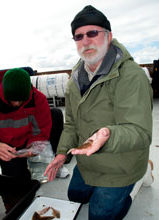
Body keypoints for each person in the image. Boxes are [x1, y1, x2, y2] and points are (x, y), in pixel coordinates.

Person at [44, 5, 154, 220]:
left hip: (120, 164)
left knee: (99, 216)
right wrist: (61, 153)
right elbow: (72, 124)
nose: (85, 41)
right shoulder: (75, 78)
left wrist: (108, 135)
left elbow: (140, 131)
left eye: (92, 33)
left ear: (109, 36)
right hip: (88, 159)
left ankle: (138, 179)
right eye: (78, 36)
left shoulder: (130, 76)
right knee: (75, 197)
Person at [0, 68, 69, 181]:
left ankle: (55, 160)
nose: (16, 103)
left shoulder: (39, 98)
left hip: (28, 140)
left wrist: (34, 146)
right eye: (12, 99)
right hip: (8, 147)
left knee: (56, 114)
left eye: (21, 100)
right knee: (17, 184)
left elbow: (41, 131)